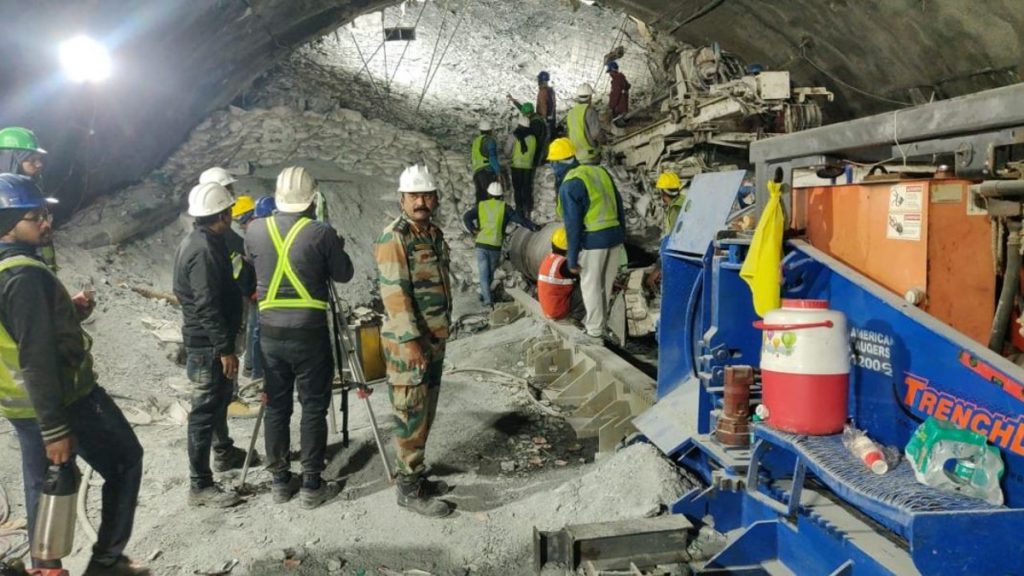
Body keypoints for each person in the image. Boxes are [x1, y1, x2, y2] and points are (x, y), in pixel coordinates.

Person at [0, 174, 148, 576]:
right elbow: (36, 355)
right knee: (125, 461)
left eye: (45, 214)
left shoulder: (6, 268)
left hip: (22, 404)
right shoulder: (22, 276)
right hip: (65, 399)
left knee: (45, 482)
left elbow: (18, 333)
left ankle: (46, 567)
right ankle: (106, 562)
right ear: (7, 223)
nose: (46, 223)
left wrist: (69, 314)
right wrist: (55, 429)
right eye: (35, 217)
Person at [245, 166, 353, 509]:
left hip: (270, 335)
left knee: (277, 407)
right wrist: (335, 246)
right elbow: (344, 274)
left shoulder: (254, 230)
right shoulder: (321, 233)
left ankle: (279, 481)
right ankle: (311, 483)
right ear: (312, 199)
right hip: (309, 333)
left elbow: (255, 266)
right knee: (313, 406)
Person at [375, 165, 454, 517]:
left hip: (433, 340)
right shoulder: (395, 238)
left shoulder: (433, 234)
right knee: (409, 412)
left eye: (426, 195)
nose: (421, 201)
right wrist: (409, 341)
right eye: (414, 196)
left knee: (425, 411)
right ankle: (407, 488)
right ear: (402, 199)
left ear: (434, 197)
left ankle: (417, 474)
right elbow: (394, 293)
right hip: (410, 344)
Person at [173, 182, 256, 508]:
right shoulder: (204, 251)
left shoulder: (199, 241)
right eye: (228, 213)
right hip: (208, 347)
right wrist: (224, 349)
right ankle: (200, 486)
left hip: (207, 343)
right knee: (204, 413)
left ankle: (224, 456)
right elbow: (206, 304)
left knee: (217, 403)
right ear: (222, 215)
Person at [558, 157, 625, 345]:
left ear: (559, 163)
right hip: (614, 236)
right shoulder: (601, 172)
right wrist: (622, 235)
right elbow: (619, 205)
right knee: (605, 285)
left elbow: (573, 225)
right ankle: (601, 326)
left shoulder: (571, 183)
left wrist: (571, 258)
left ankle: (594, 331)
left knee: (590, 286)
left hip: (594, 241)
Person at [462, 181, 539, 307]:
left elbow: (466, 217)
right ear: (501, 196)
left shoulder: (481, 206)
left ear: (488, 194)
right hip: (494, 246)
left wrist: (473, 230)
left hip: (481, 244)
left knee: (483, 274)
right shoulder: (505, 208)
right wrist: (533, 226)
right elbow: (519, 220)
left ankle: (485, 296)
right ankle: (487, 300)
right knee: (489, 273)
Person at [0, 127, 56, 271]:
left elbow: (45, 242)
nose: (39, 164)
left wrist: (49, 274)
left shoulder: (30, 190)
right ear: (9, 159)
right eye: (31, 160)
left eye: (39, 159)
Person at [647, 171, 687, 290]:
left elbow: (673, 242)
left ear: (663, 192)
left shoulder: (675, 209)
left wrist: (658, 269)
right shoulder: (683, 200)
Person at [537, 226, 577, 321]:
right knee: (587, 287)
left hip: (548, 309)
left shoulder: (548, 260)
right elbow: (583, 274)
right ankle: (576, 318)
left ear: (552, 244)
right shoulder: (564, 265)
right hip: (558, 311)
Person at [506, 116, 538, 216]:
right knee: (527, 189)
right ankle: (528, 210)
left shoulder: (514, 136)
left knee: (518, 190)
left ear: (519, 125)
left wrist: (510, 156)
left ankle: (519, 211)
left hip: (517, 167)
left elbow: (507, 151)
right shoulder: (533, 138)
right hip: (528, 167)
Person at [566, 83, 604, 165]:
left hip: (577, 156)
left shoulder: (570, 113)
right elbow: (596, 134)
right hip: (591, 156)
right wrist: (605, 141)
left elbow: (569, 134)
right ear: (590, 97)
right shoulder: (590, 111)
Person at [546, 137, 578, 218]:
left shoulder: (567, 182)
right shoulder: (580, 171)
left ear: (557, 161)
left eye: (552, 161)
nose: (551, 165)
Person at [471, 119, 501, 203]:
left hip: (477, 173)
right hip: (486, 172)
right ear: (490, 130)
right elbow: (492, 157)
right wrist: (498, 171)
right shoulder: (489, 140)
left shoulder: (476, 141)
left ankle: (479, 215)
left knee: (480, 197)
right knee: (489, 197)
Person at [536, 71, 557, 140]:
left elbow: (543, 107)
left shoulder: (542, 92)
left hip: (545, 119)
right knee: (552, 134)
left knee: (544, 138)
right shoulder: (551, 90)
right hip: (552, 117)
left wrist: (543, 118)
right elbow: (554, 104)